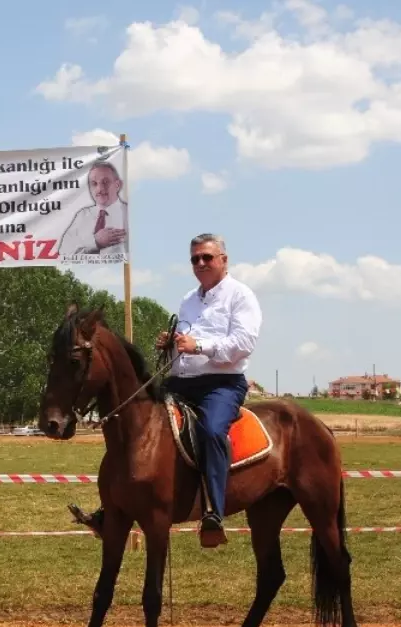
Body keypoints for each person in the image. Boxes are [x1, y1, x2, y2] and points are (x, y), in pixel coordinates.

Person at [71, 233, 262, 548]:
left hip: (221, 384)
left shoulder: (241, 296)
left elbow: (244, 344)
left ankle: (213, 511)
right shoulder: (189, 299)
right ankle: (113, 508)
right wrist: (172, 343)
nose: (200, 263)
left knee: (212, 432)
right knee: (133, 424)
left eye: (207, 257)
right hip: (181, 382)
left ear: (224, 260)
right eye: (195, 259)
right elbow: (185, 344)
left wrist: (198, 344)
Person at [57, 161, 128, 260]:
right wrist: (95, 242)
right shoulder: (82, 215)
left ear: (117, 185)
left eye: (105, 182)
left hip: (117, 274)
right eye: (94, 184)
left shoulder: (129, 214)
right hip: (83, 274)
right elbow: (64, 253)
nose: (99, 189)